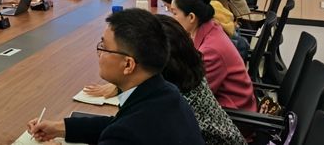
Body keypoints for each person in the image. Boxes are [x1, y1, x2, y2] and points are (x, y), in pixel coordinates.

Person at [27, 9, 204, 145]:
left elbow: (122, 130)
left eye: (104, 47)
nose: (99, 53)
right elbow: (116, 123)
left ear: (128, 65)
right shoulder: (166, 92)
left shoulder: (127, 134)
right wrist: (61, 128)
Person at [84, 14, 246, 145]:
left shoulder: (143, 122)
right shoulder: (174, 88)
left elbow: (127, 129)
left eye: (104, 48)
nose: (100, 53)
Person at [170, 0, 257, 111]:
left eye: (174, 13)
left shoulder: (211, 51)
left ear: (191, 17)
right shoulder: (209, 28)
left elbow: (194, 95)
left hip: (234, 113)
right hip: (225, 103)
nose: (172, 18)